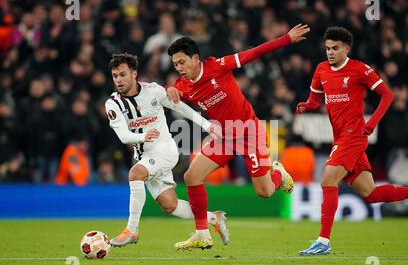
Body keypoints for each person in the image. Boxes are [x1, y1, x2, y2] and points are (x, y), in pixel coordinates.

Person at [295, 26, 408, 256]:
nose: (330, 53)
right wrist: (306, 105)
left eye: (335, 48)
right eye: (327, 48)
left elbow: (388, 95)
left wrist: (371, 123)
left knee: (328, 181)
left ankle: (323, 241)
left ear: (346, 48)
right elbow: (315, 100)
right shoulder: (321, 70)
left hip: (354, 135)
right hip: (340, 137)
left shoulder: (359, 70)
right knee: (370, 193)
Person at [165, 24, 311, 250]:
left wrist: (286, 39)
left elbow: (254, 53)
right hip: (223, 136)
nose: (179, 68)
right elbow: (168, 93)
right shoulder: (182, 85)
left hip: (249, 133)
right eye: (175, 65)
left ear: (196, 58)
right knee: (192, 176)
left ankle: (278, 174)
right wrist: (169, 90)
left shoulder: (219, 66)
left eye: (182, 62)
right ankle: (202, 234)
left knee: (264, 192)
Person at [105, 53, 229, 247]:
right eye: (115, 76)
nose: (118, 80)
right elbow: (122, 135)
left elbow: (180, 107)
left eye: (122, 74)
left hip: (165, 150)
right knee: (169, 205)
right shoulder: (113, 104)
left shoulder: (153, 91)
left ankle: (132, 231)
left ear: (134, 74)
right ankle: (214, 218)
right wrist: (142, 137)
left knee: (135, 174)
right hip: (143, 156)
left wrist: (207, 125)